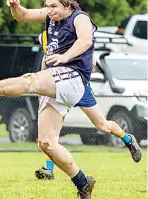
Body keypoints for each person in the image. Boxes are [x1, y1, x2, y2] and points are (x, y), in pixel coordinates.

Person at [0, 0, 140, 199]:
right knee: (46, 143)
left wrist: (65, 56)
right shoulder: (51, 15)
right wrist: (16, 7)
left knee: (33, 83)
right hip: (56, 79)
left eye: (54, 6)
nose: (50, 10)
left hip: (73, 78)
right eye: (47, 6)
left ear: (68, 4)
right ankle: (82, 182)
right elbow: (22, 16)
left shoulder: (80, 18)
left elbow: (85, 41)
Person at [35, 31, 142, 180]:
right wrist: (41, 84)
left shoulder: (78, 33)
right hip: (55, 86)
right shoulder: (46, 36)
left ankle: (128, 140)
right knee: (50, 133)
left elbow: (91, 64)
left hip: (78, 87)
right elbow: (45, 61)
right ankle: (49, 169)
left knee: (102, 125)